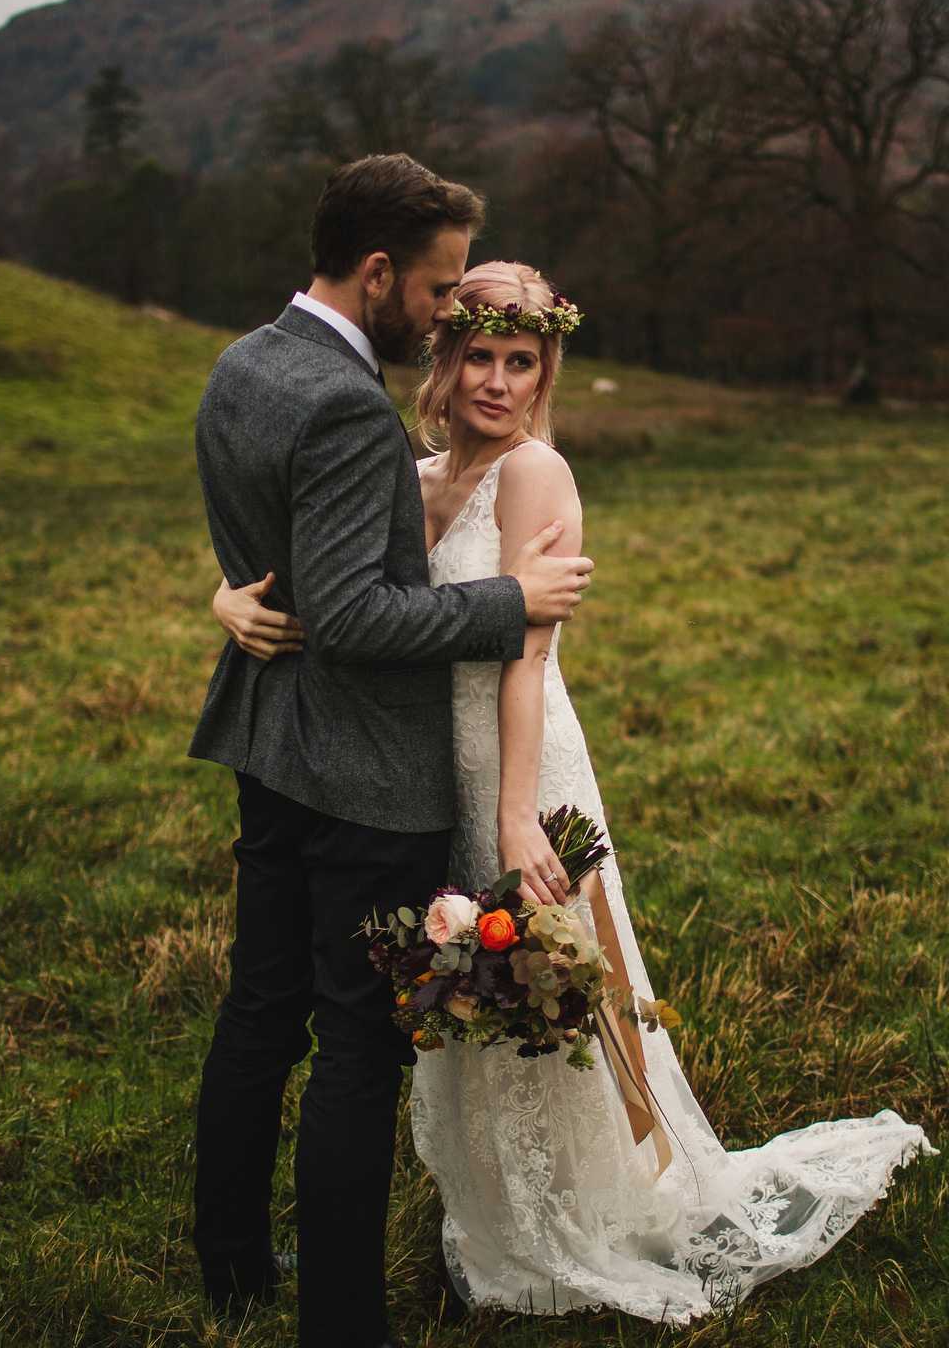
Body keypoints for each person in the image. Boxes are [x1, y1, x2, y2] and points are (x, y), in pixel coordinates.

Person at [215, 260, 933, 1327]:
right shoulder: (410, 479)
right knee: (470, 979)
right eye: (480, 357)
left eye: (522, 362)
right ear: (444, 360)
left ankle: (591, 1211)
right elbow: (338, 595)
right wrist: (226, 594)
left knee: (552, 976)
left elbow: (525, 660)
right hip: (425, 770)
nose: (499, 382)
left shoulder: (536, 475)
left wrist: (514, 813)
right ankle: (500, 1210)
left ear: (544, 373)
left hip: (518, 760)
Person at [189, 161, 595, 1348]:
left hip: (274, 749)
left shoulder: (242, 363)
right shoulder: (349, 405)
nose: (444, 314)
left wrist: (232, 591)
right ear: (377, 273)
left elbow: (270, 534)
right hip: (366, 774)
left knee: (259, 1011)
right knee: (356, 1045)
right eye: (432, 291)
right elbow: (358, 614)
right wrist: (508, 600)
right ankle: (343, 1321)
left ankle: (230, 1265)